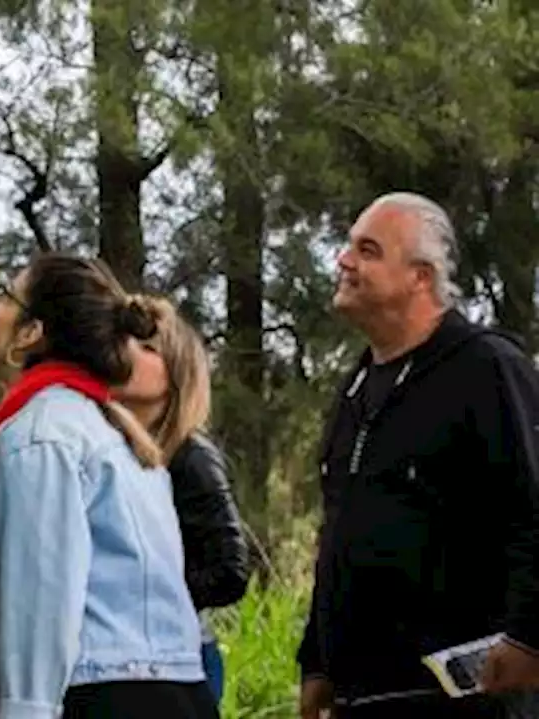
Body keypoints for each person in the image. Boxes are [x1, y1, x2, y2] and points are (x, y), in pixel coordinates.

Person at [0, 254, 218, 719]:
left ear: (30, 334)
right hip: (173, 690)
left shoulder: (40, 433)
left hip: (96, 695)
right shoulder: (119, 432)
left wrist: (26, 711)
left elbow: (41, 599)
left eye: (7, 295)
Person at [297, 192, 539, 719]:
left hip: (467, 698)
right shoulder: (356, 390)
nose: (343, 260)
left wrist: (529, 637)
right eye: (347, 246)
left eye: (368, 249)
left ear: (421, 277)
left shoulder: (486, 368)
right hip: (361, 698)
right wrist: (315, 661)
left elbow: (534, 509)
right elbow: (338, 531)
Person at [119, 295, 251, 706]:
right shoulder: (109, 448)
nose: (126, 352)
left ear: (176, 375)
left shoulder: (191, 456)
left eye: (148, 348)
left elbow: (231, 569)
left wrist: (145, 594)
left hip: (182, 659)